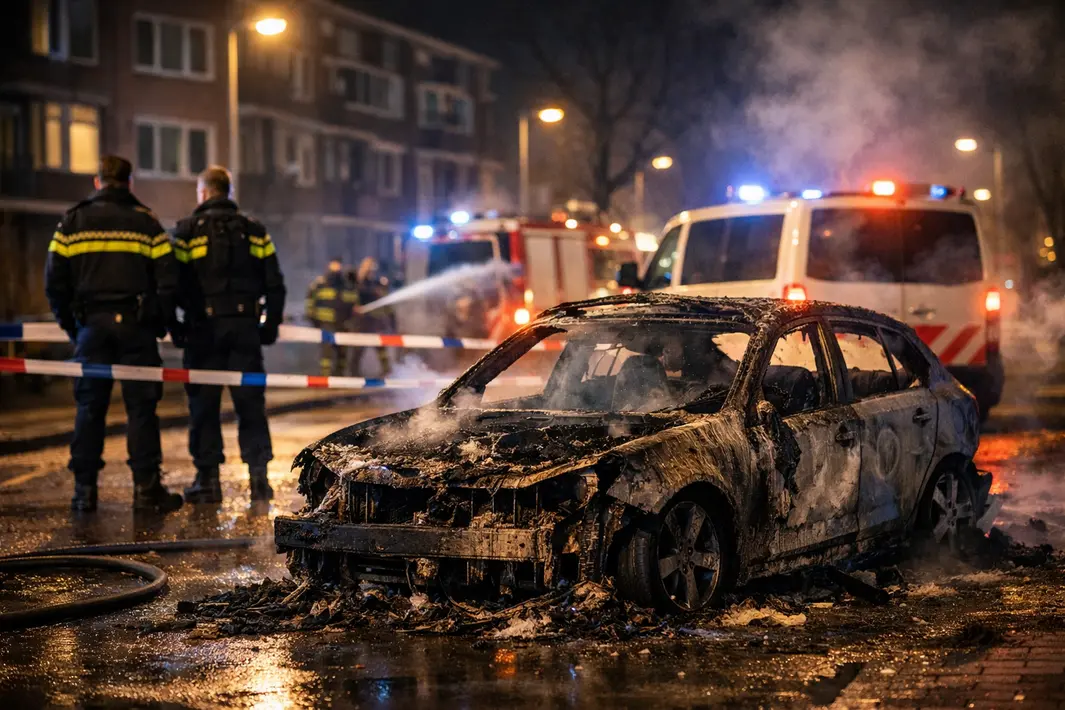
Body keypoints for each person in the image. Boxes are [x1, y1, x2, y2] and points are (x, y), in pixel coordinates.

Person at [44, 155, 183, 513]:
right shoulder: (146, 222)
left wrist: (75, 327)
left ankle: (84, 491)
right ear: (129, 182)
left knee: (90, 408)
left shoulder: (72, 222)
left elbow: (54, 282)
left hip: (91, 328)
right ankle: (147, 490)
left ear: (97, 181)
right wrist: (157, 323)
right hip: (136, 328)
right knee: (141, 409)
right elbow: (168, 282)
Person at [171, 166, 286, 503]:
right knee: (251, 405)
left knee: (203, 407)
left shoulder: (186, 231)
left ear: (203, 193)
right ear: (229, 192)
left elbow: (170, 283)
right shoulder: (254, 231)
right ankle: (259, 481)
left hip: (202, 332)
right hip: (245, 330)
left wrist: (175, 325)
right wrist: (269, 327)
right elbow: (275, 284)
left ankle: (208, 482)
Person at [305, 257, 357, 375]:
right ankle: (325, 376)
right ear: (328, 265)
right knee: (326, 350)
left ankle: (339, 374)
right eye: (334, 264)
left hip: (343, 323)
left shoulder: (346, 285)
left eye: (338, 265)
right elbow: (310, 303)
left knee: (342, 351)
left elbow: (353, 302)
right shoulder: (319, 284)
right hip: (325, 323)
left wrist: (350, 319)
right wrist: (314, 321)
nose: (336, 267)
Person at [347, 257, 392, 377]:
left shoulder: (375, 282)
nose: (372, 270)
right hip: (362, 320)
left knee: (380, 346)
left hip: (374, 319)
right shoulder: (359, 282)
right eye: (370, 267)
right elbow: (358, 294)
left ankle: (387, 370)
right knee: (359, 347)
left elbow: (382, 297)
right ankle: (354, 372)